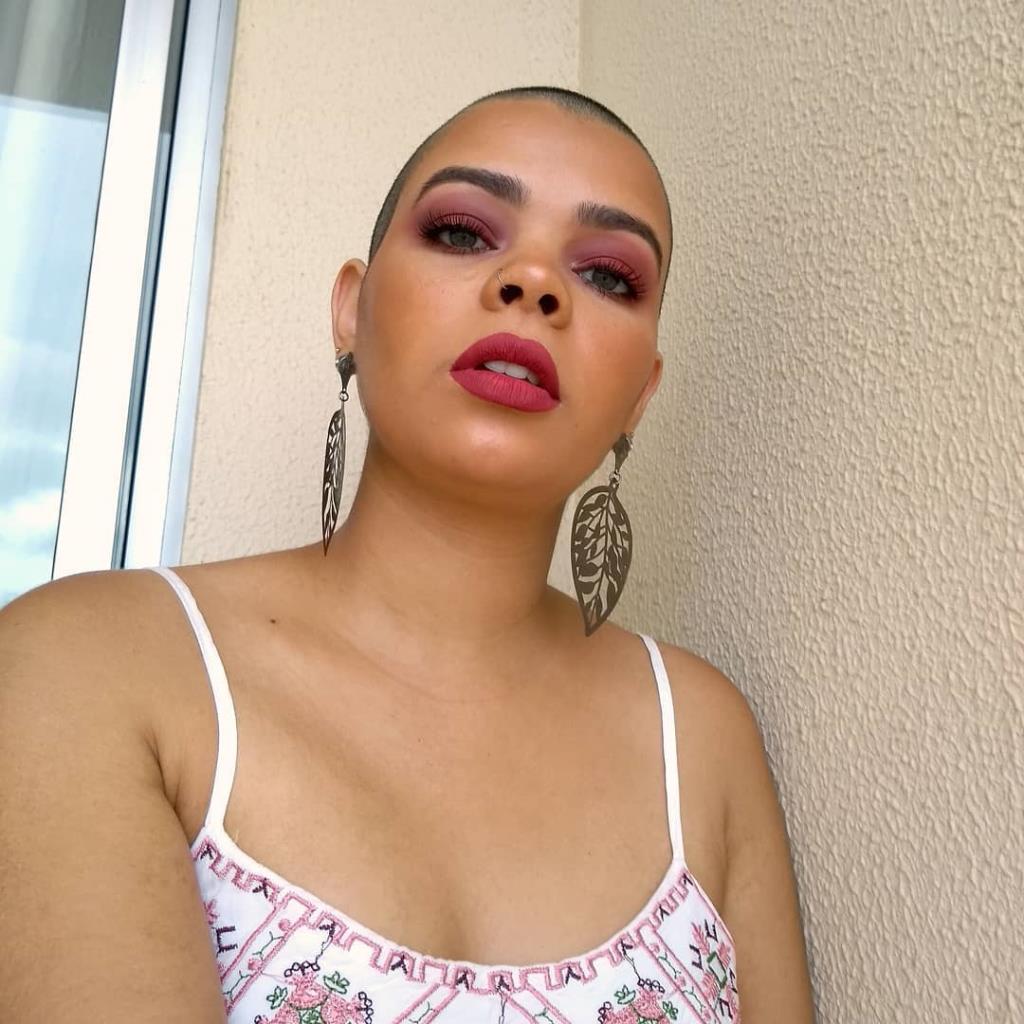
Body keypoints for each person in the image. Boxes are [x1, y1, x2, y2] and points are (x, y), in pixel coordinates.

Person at [0, 86, 813, 1022]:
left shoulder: (704, 738)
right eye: (464, 232)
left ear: (640, 397)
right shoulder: (91, 663)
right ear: (351, 310)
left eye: (609, 276)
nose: (535, 283)